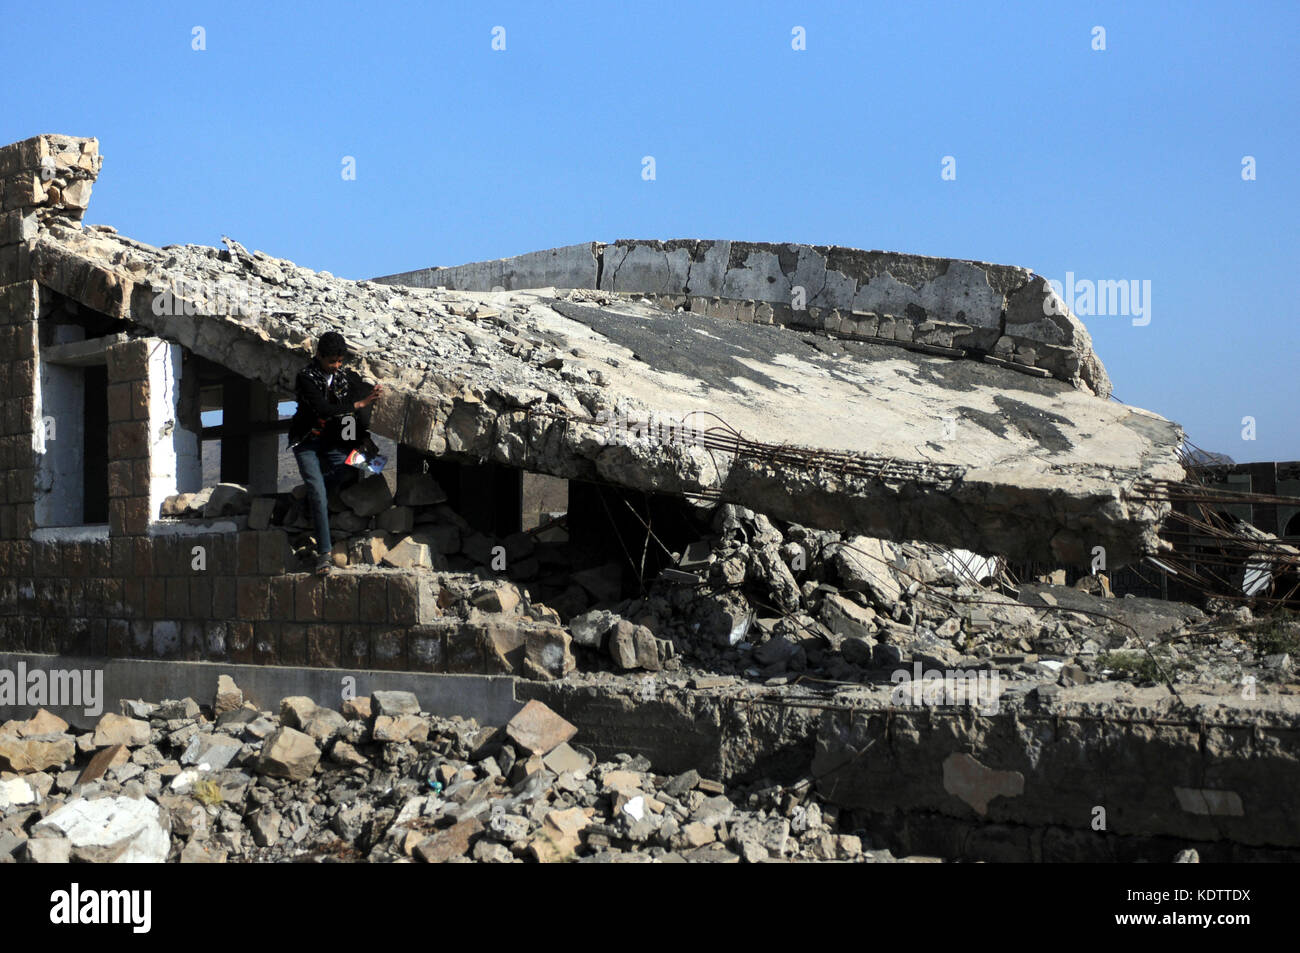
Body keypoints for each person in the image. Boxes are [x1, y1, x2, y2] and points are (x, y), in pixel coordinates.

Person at [288, 331, 384, 574]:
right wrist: (359, 404)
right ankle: (324, 554)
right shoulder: (305, 377)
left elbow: (351, 417)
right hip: (307, 441)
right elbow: (323, 409)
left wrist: (363, 438)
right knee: (319, 493)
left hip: (333, 442)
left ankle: (310, 499)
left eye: (340, 361)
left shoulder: (343, 379)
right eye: (332, 361)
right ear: (319, 356)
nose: (336, 366)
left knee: (355, 466)